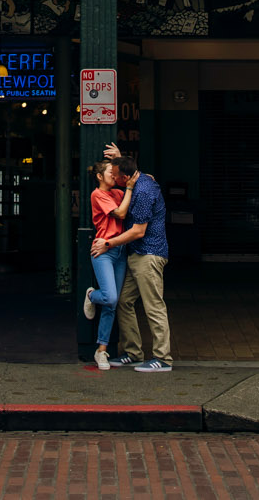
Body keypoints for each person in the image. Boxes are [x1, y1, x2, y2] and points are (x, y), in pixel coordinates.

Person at [96, 144, 171, 372]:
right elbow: (138, 173)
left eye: (117, 176)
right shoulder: (139, 180)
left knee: (154, 306)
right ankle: (133, 352)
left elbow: (138, 231)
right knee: (124, 301)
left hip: (149, 254)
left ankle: (163, 359)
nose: (114, 180)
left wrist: (108, 243)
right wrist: (119, 159)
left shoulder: (143, 192)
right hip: (137, 254)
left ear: (126, 178)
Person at [80, 158, 135, 370]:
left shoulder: (119, 193)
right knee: (109, 296)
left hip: (120, 250)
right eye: (110, 173)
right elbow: (121, 214)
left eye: (115, 172)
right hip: (103, 250)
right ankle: (91, 295)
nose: (114, 175)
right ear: (99, 176)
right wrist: (129, 188)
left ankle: (101, 350)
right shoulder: (98, 194)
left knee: (112, 304)